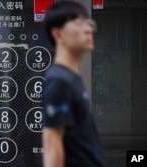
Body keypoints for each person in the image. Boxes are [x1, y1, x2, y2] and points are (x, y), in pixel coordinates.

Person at [42, 1, 106, 167]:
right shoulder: (59, 81)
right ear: (58, 35)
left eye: (88, 22)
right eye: (78, 23)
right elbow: (52, 142)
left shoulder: (71, 77)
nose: (88, 29)